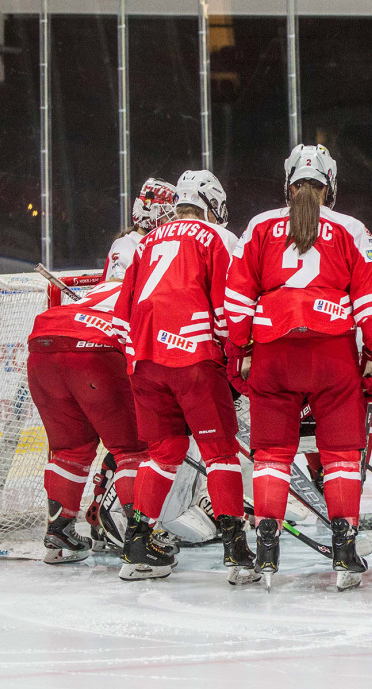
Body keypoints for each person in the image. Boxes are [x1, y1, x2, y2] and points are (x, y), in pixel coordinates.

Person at [223, 144, 372, 591]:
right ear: (329, 184)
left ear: (289, 182)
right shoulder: (352, 228)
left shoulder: (259, 226)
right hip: (333, 354)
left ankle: (266, 549)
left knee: (272, 454)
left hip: (273, 353)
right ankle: (344, 553)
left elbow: (236, 298)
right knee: (340, 456)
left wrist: (239, 349)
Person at [111, 169, 250, 583]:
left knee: (163, 453)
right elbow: (228, 310)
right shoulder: (219, 237)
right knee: (220, 453)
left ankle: (136, 547)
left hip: (144, 362)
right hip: (194, 359)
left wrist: (142, 356)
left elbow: (121, 318)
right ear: (212, 205)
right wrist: (233, 355)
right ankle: (236, 552)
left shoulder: (147, 241)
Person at [27, 280, 148, 564]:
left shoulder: (104, 286)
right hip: (96, 347)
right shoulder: (148, 286)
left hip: (43, 343)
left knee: (70, 450)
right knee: (132, 449)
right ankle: (139, 539)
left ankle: (59, 533)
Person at [103, 178, 177, 281]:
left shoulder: (159, 244)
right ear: (148, 211)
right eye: (170, 214)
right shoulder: (125, 245)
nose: (173, 220)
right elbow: (117, 284)